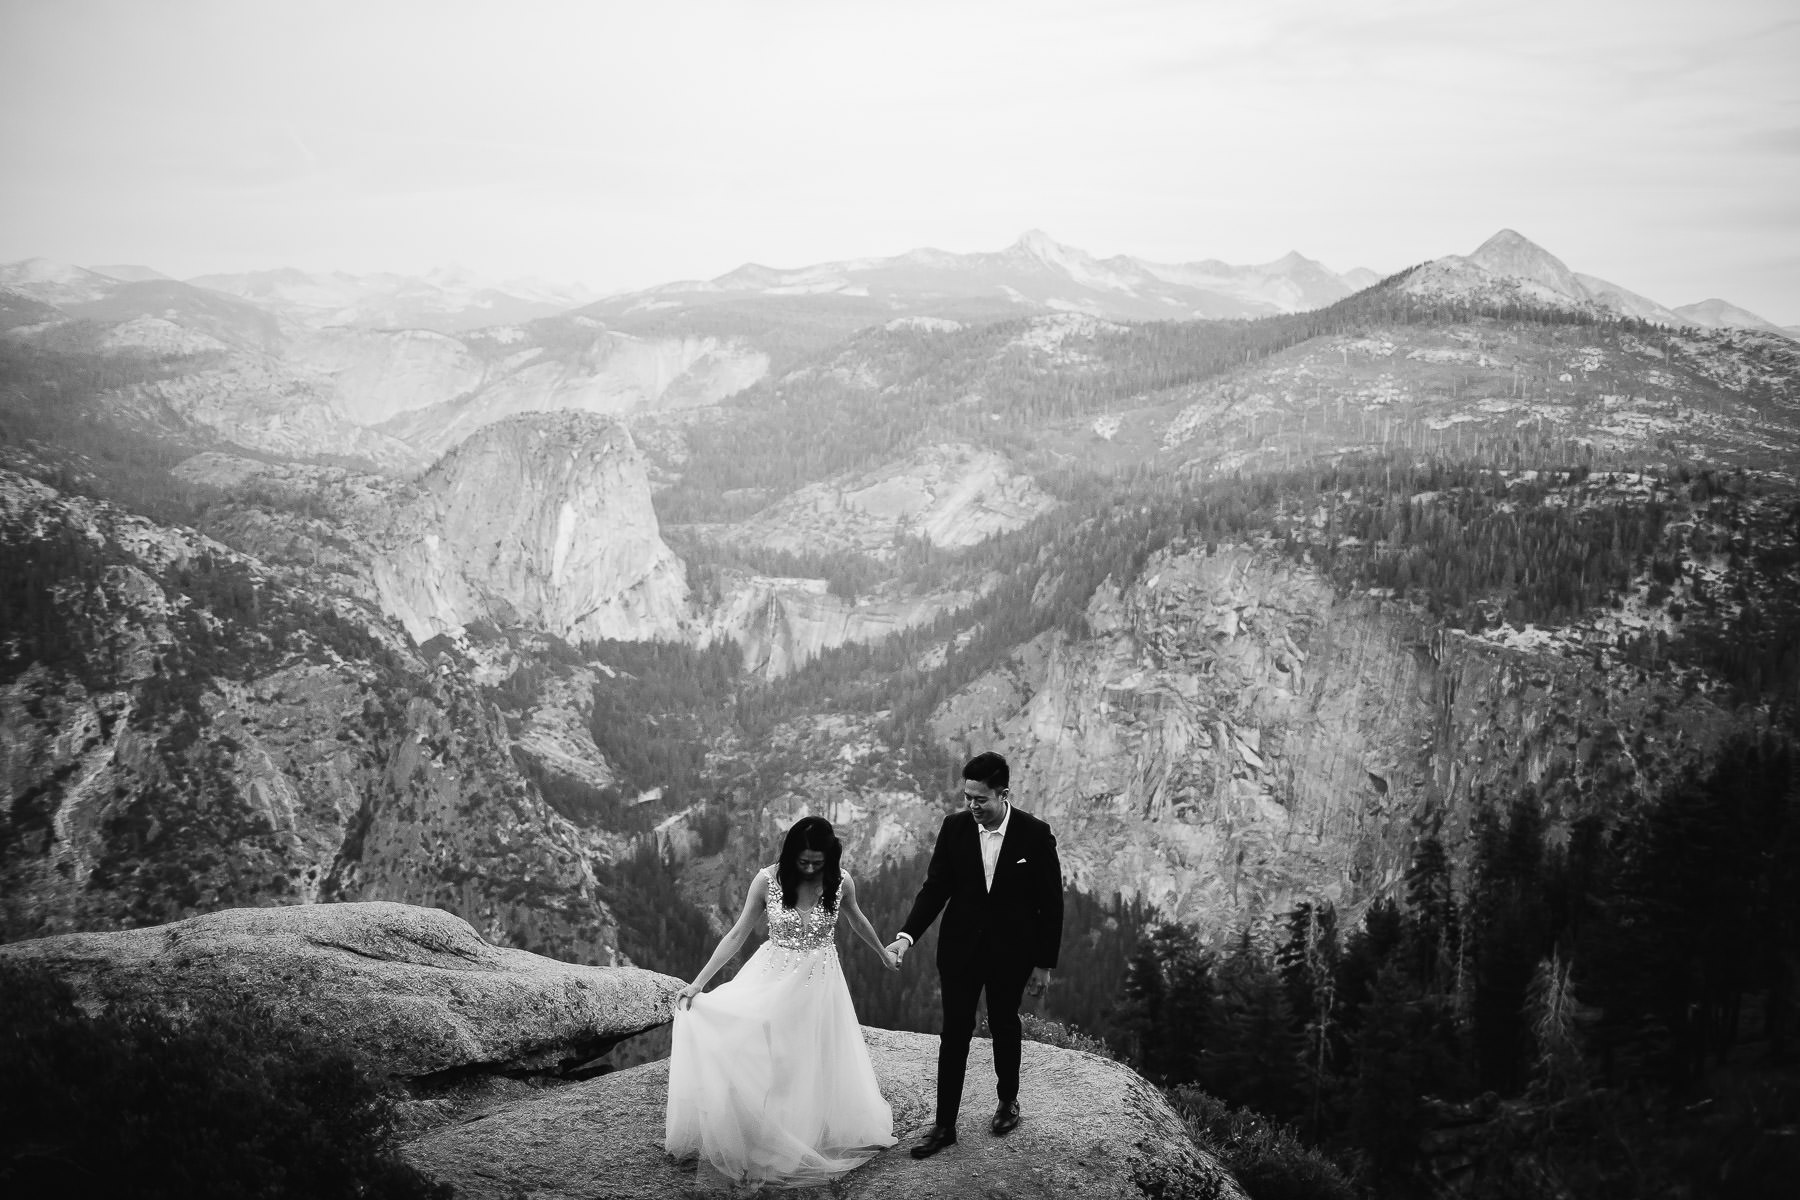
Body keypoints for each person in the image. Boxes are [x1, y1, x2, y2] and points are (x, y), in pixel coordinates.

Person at [665, 816, 900, 1188]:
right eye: (803, 860)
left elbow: (857, 920)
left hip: (820, 980)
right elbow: (737, 933)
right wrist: (698, 983)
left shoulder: (841, 881)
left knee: (814, 1056)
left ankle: (805, 1133)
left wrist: (883, 955)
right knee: (779, 1058)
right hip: (773, 977)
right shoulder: (767, 880)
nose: (809, 867)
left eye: (817, 861)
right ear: (791, 854)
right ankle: (776, 1138)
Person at [886, 751, 1063, 1159]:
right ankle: (944, 1125)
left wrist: (1043, 963)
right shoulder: (955, 828)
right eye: (967, 797)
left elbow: (1051, 903)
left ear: (1004, 794)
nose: (972, 806)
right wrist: (906, 936)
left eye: (980, 799)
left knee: (1004, 1022)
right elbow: (935, 889)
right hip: (960, 949)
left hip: (1012, 952)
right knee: (954, 1032)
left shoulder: (1035, 834)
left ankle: (1007, 1101)